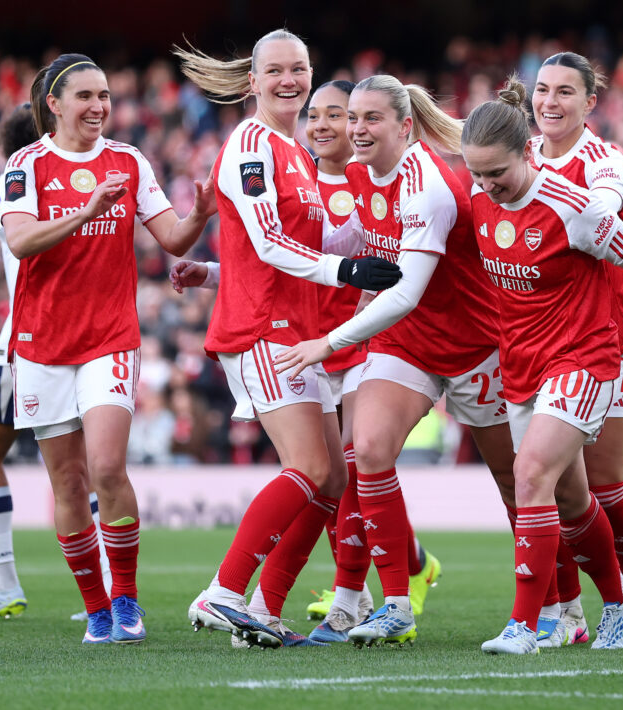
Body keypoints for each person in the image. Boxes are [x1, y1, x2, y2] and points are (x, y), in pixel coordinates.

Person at [169, 80, 439, 646]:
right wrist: (214, 274)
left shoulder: (373, 181)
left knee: (350, 471)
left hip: (355, 343)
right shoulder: (299, 175)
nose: (324, 125)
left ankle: (340, 597)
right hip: (301, 343)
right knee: (328, 472)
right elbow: (274, 258)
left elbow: (384, 267)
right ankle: (267, 597)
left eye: (339, 116)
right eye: (315, 114)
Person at [461, 76, 623, 654]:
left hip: (585, 356)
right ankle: (621, 599)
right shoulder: (477, 198)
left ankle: (528, 623)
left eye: (496, 174)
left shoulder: (575, 206)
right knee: (573, 499)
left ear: (525, 152)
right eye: (477, 175)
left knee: (530, 476)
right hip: (521, 362)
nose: (487, 187)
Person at [273, 74, 514, 646]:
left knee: (518, 482)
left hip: (473, 347)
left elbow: (405, 289)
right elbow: (350, 242)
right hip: (406, 342)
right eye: (352, 118)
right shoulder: (358, 173)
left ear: (405, 126)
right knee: (368, 451)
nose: (355, 129)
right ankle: (396, 604)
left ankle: (564, 606)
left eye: (370, 119)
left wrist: (326, 342)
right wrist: (227, 268)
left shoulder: (426, 185)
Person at [0, 53, 215, 645]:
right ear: (55, 104)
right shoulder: (25, 166)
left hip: (109, 338)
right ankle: (94, 608)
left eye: (105, 97)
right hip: (42, 344)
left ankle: (125, 600)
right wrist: (86, 210)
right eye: (86, 97)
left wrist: (198, 214)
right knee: (67, 484)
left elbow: (170, 237)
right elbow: (20, 243)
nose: (98, 107)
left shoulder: (127, 160)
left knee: (106, 467)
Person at [0, 104, 112, 622]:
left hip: (35, 337)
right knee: (61, 465)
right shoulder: (68, 178)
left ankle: (13, 583)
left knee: (29, 462)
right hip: (47, 335)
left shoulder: (19, 179)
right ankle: (94, 588)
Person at [529, 51, 623, 645]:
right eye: (542, 90)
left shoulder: (606, 162)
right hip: (540, 339)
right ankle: (569, 610)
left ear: (590, 103)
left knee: (605, 482)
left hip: (612, 333)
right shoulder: (520, 154)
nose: (549, 102)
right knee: (549, 478)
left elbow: (600, 214)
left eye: (564, 92)